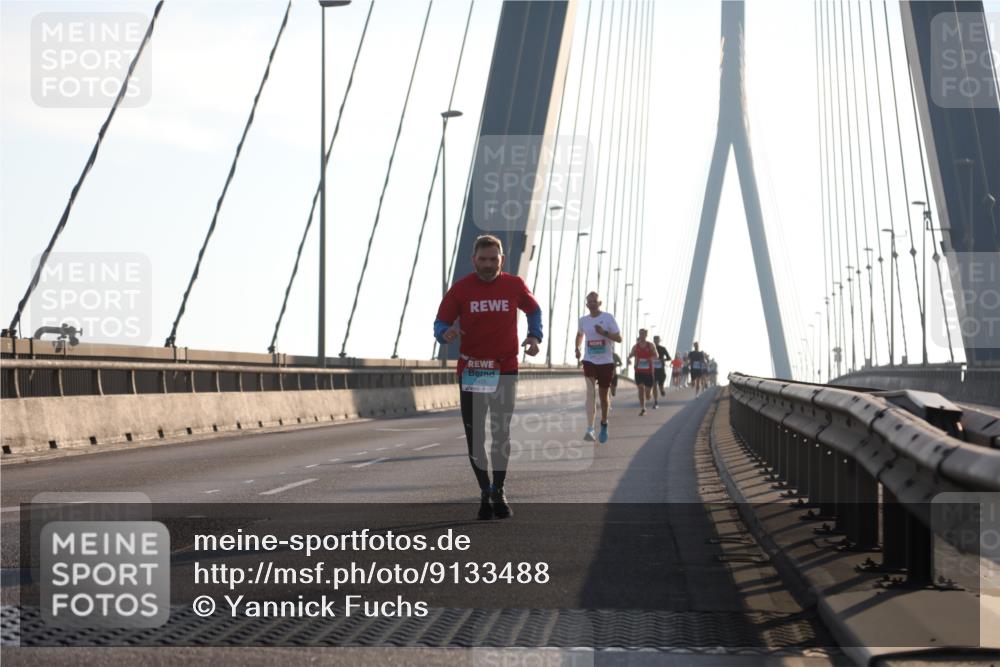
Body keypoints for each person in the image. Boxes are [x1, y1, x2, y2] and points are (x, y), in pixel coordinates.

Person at [434, 234, 542, 520]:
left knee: (500, 434)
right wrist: (445, 333)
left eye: (493, 259)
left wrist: (534, 336)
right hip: (472, 370)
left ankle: (499, 489)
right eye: (483, 259)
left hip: (504, 368)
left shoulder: (514, 285)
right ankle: (485, 490)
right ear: (473, 261)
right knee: (475, 437)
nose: (488, 264)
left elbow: (534, 310)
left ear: (502, 260)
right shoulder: (460, 290)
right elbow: (441, 321)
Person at [575, 292, 622, 444]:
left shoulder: (608, 318)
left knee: (603, 397)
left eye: (595, 301)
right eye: (590, 301)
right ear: (586, 304)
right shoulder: (583, 320)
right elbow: (580, 335)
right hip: (589, 361)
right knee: (590, 393)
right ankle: (590, 429)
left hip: (606, 362)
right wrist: (577, 347)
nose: (592, 303)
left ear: (599, 303)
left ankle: (603, 423)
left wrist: (604, 333)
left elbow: (619, 338)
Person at [628, 329, 657, 415]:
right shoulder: (635, 346)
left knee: (648, 395)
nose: (642, 335)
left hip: (648, 371)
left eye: (644, 334)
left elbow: (656, 355)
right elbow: (631, 355)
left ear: (646, 335)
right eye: (640, 334)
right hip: (638, 371)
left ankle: (649, 393)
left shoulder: (650, 345)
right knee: (640, 388)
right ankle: (643, 408)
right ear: (639, 334)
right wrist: (628, 359)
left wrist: (649, 359)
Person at [652, 335, 671, 400]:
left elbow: (669, 358)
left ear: (659, 341)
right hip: (653, 369)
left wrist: (663, 360)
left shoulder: (663, 349)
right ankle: (655, 401)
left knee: (660, 385)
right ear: (653, 340)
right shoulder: (651, 348)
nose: (656, 341)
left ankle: (661, 390)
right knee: (654, 385)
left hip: (661, 369)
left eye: (657, 340)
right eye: (655, 340)